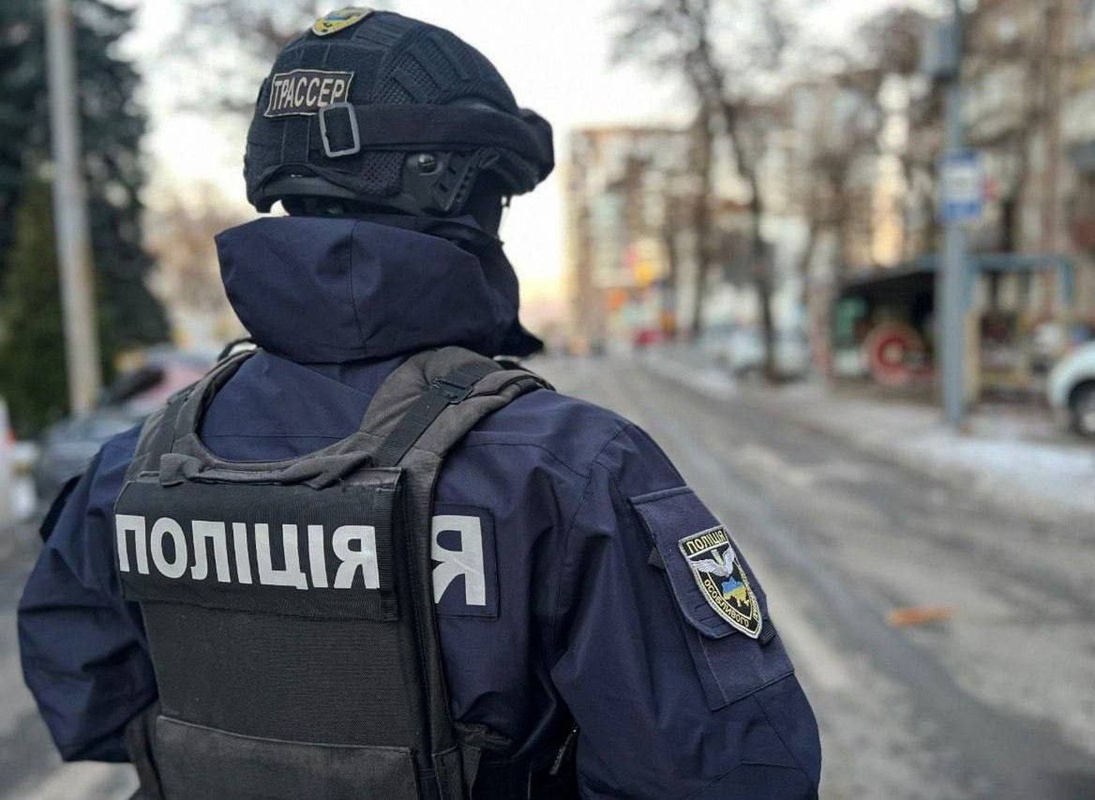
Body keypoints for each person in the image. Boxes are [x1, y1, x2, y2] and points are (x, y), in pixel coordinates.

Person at [18, 8, 821, 799]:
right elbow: (728, 774)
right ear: (457, 193)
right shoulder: (568, 469)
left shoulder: (132, 468)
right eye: (498, 196)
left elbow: (90, 701)